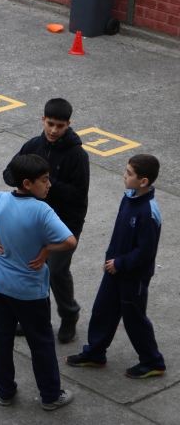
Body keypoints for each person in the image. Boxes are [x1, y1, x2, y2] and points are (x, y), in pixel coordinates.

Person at [0, 154, 76, 410]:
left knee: (1, 342)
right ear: (28, 183)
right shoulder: (42, 210)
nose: (49, 184)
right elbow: (69, 241)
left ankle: (5, 393)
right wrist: (45, 252)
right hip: (29, 291)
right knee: (41, 344)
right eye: (44, 180)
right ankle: (51, 396)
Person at [67, 154, 166, 379]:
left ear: (144, 181)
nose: (124, 175)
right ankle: (94, 353)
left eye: (129, 173)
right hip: (114, 269)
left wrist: (120, 263)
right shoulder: (129, 198)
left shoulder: (149, 212)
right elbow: (118, 232)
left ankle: (153, 361)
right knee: (103, 311)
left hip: (133, 275)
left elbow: (145, 251)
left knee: (134, 319)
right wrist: (110, 259)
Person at [2, 98, 89, 343]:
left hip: (64, 222)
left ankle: (69, 314)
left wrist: (46, 181)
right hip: (32, 220)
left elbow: (78, 194)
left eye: (60, 126)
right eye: (50, 123)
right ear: (42, 119)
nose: (53, 130)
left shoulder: (77, 155)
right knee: (31, 269)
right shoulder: (32, 145)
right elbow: (9, 174)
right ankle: (33, 317)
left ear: (68, 125)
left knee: (56, 272)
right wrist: (28, 179)